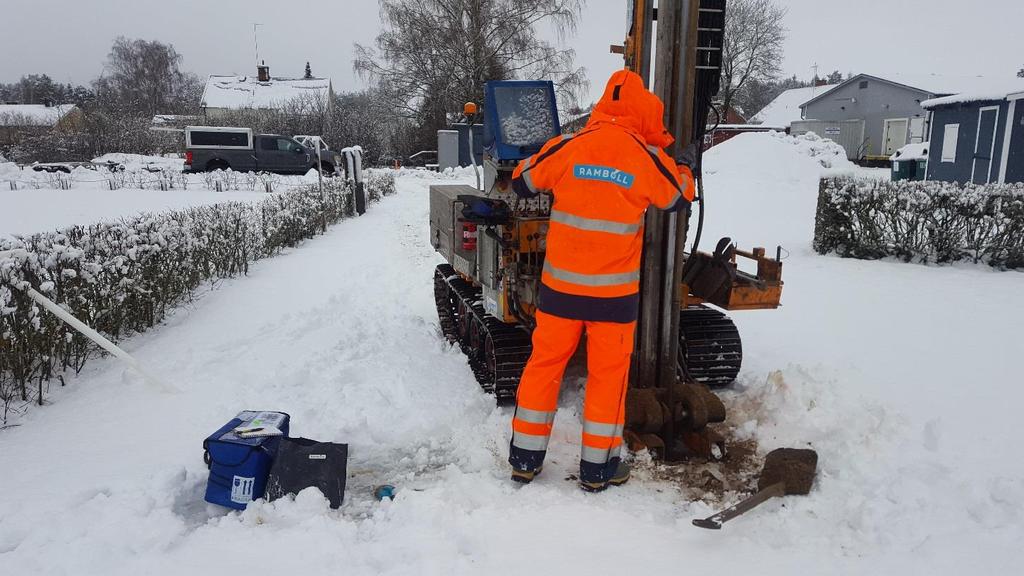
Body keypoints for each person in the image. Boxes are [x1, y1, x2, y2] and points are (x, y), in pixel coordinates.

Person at [507, 70, 697, 493]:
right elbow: (677, 198)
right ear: (643, 110)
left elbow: (523, 179)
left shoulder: (571, 145)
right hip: (613, 297)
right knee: (607, 377)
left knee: (544, 367)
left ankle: (524, 459)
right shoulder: (644, 156)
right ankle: (597, 469)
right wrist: (685, 165)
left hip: (559, 293)